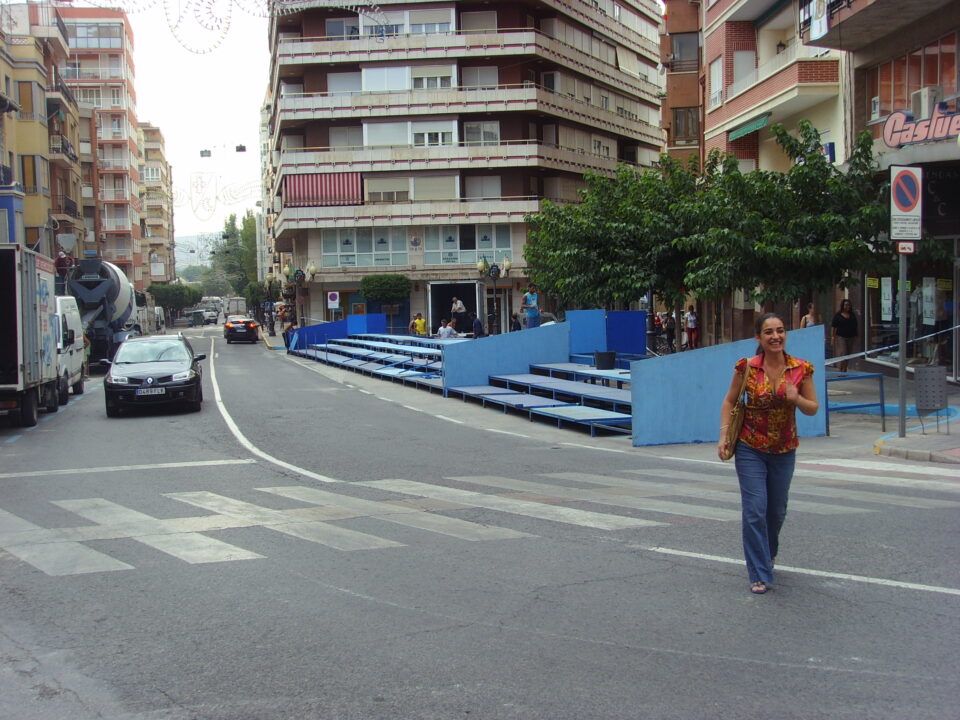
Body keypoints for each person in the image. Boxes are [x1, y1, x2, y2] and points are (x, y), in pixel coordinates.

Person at [718, 313, 819, 595]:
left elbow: (813, 407)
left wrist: (796, 398)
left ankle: (769, 552)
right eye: (769, 332)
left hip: (785, 449)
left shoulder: (801, 369)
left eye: (780, 331)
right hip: (750, 446)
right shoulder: (747, 367)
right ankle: (759, 572)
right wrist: (725, 435)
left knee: (776, 511)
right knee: (754, 510)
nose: (776, 336)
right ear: (759, 338)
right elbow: (729, 401)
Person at [831, 298, 858, 372]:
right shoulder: (838, 315)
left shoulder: (852, 315)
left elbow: (855, 325)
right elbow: (833, 326)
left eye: (848, 305)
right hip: (841, 336)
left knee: (848, 354)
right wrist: (833, 337)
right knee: (844, 352)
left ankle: (845, 369)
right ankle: (840, 369)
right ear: (842, 305)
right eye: (846, 305)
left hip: (851, 336)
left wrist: (856, 335)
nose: (847, 306)